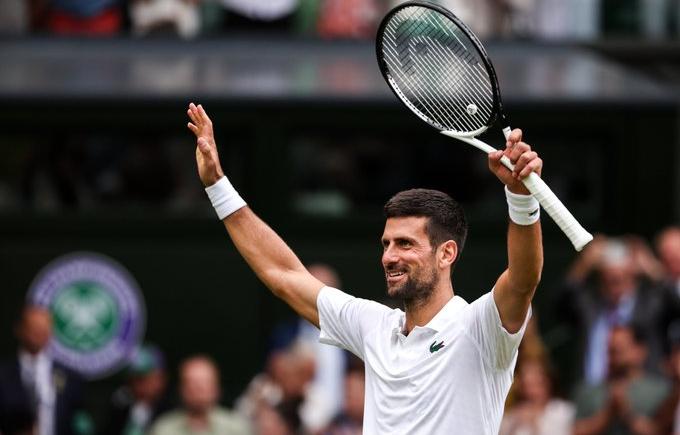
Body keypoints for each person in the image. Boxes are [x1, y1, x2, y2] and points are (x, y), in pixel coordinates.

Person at [186, 102, 544, 434]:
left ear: (446, 253)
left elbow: (523, 278)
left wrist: (521, 198)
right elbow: (285, 275)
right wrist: (218, 186)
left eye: (405, 244)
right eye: (386, 244)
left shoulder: (479, 328)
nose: (389, 256)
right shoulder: (374, 326)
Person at [555, 235, 664, 385]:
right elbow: (559, 305)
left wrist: (654, 270)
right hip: (593, 394)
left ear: (632, 275)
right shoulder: (590, 306)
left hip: (643, 395)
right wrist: (584, 264)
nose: (614, 287)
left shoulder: (650, 305)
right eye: (608, 280)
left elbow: (675, 306)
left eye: (620, 280)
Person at [0, 305, 85, 435]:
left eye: (44, 328)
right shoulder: (4, 375)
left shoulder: (70, 377)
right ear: (19, 329)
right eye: (33, 328)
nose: (39, 333)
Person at [572, 325, 671, 435]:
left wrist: (626, 413)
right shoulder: (588, 391)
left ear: (640, 350)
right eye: (610, 350)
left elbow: (662, 430)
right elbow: (575, 431)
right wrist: (608, 413)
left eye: (620, 349)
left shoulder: (662, 392)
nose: (614, 356)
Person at [149, 355, 251, 435]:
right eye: (192, 383)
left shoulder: (236, 428)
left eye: (204, 383)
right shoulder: (163, 429)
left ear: (217, 388)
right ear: (181, 389)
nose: (198, 389)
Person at [103, 344, 171, 435]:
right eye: (133, 379)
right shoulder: (120, 406)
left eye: (143, 379)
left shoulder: (172, 411)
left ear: (161, 379)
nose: (138, 385)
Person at [499, 359, 575, 435]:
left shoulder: (561, 410)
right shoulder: (512, 415)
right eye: (526, 386)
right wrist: (514, 423)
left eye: (535, 385)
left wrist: (535, 423)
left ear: (547, 384)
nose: (530, 392)